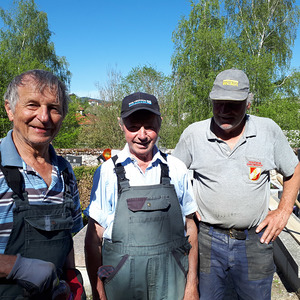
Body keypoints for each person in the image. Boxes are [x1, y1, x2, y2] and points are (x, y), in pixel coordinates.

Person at [172, 68, 300, 300]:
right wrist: (186, 206)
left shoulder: (268, 131)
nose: (224, 111)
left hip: (256, 241)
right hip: (208, 240)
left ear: (248, 103)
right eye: (218, 103)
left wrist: (283, 211)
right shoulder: (194, 134)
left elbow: (294, 170)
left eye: (233, 104)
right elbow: (173, 176)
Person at [84, 92, 199, 300]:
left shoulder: (177, 169)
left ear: (160, 123)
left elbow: (190, 227)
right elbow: (94, 239)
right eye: (134, 126)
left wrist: (192, 286)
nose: (143, 135)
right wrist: (98, 293)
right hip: (121, 285)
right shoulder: (107, 172)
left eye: (149, 125)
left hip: (172, 282)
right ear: (121, 125)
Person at [0, 70, 85, 299]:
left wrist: (71, 279)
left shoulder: (65, 172)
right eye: (32, 105)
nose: (44, 117)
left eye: (54, 108)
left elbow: (66, 237)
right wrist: (16, 267)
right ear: (10, 109)